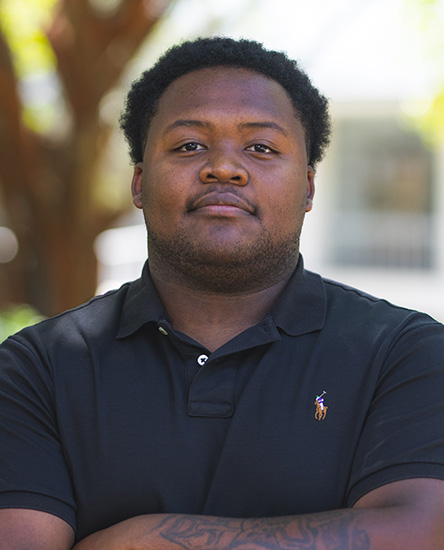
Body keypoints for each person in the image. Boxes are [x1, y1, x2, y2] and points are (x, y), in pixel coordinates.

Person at [1, 36, 444, 550]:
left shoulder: (407, 353)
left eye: (261, 147)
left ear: (308, 187)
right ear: (140, 183)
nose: (224, 168)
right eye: (189, 145)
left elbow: (422, 531)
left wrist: (149, 539)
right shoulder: (35, 370)